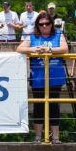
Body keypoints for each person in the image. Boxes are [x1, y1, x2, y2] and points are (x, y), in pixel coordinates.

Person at [16, 13, 68, 143]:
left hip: (55, 77)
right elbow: (19, 48)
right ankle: (38, 137)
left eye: (47, 23)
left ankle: (55, 137)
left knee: (54, 106)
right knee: (38, 106)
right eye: (41, 24)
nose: (44, 26)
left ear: (51, 24)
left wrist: (48, 49)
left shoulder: (58, 34)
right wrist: (33, 49)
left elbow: (65, 48)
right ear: (37, 26)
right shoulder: (32, 36)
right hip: (38, 77)